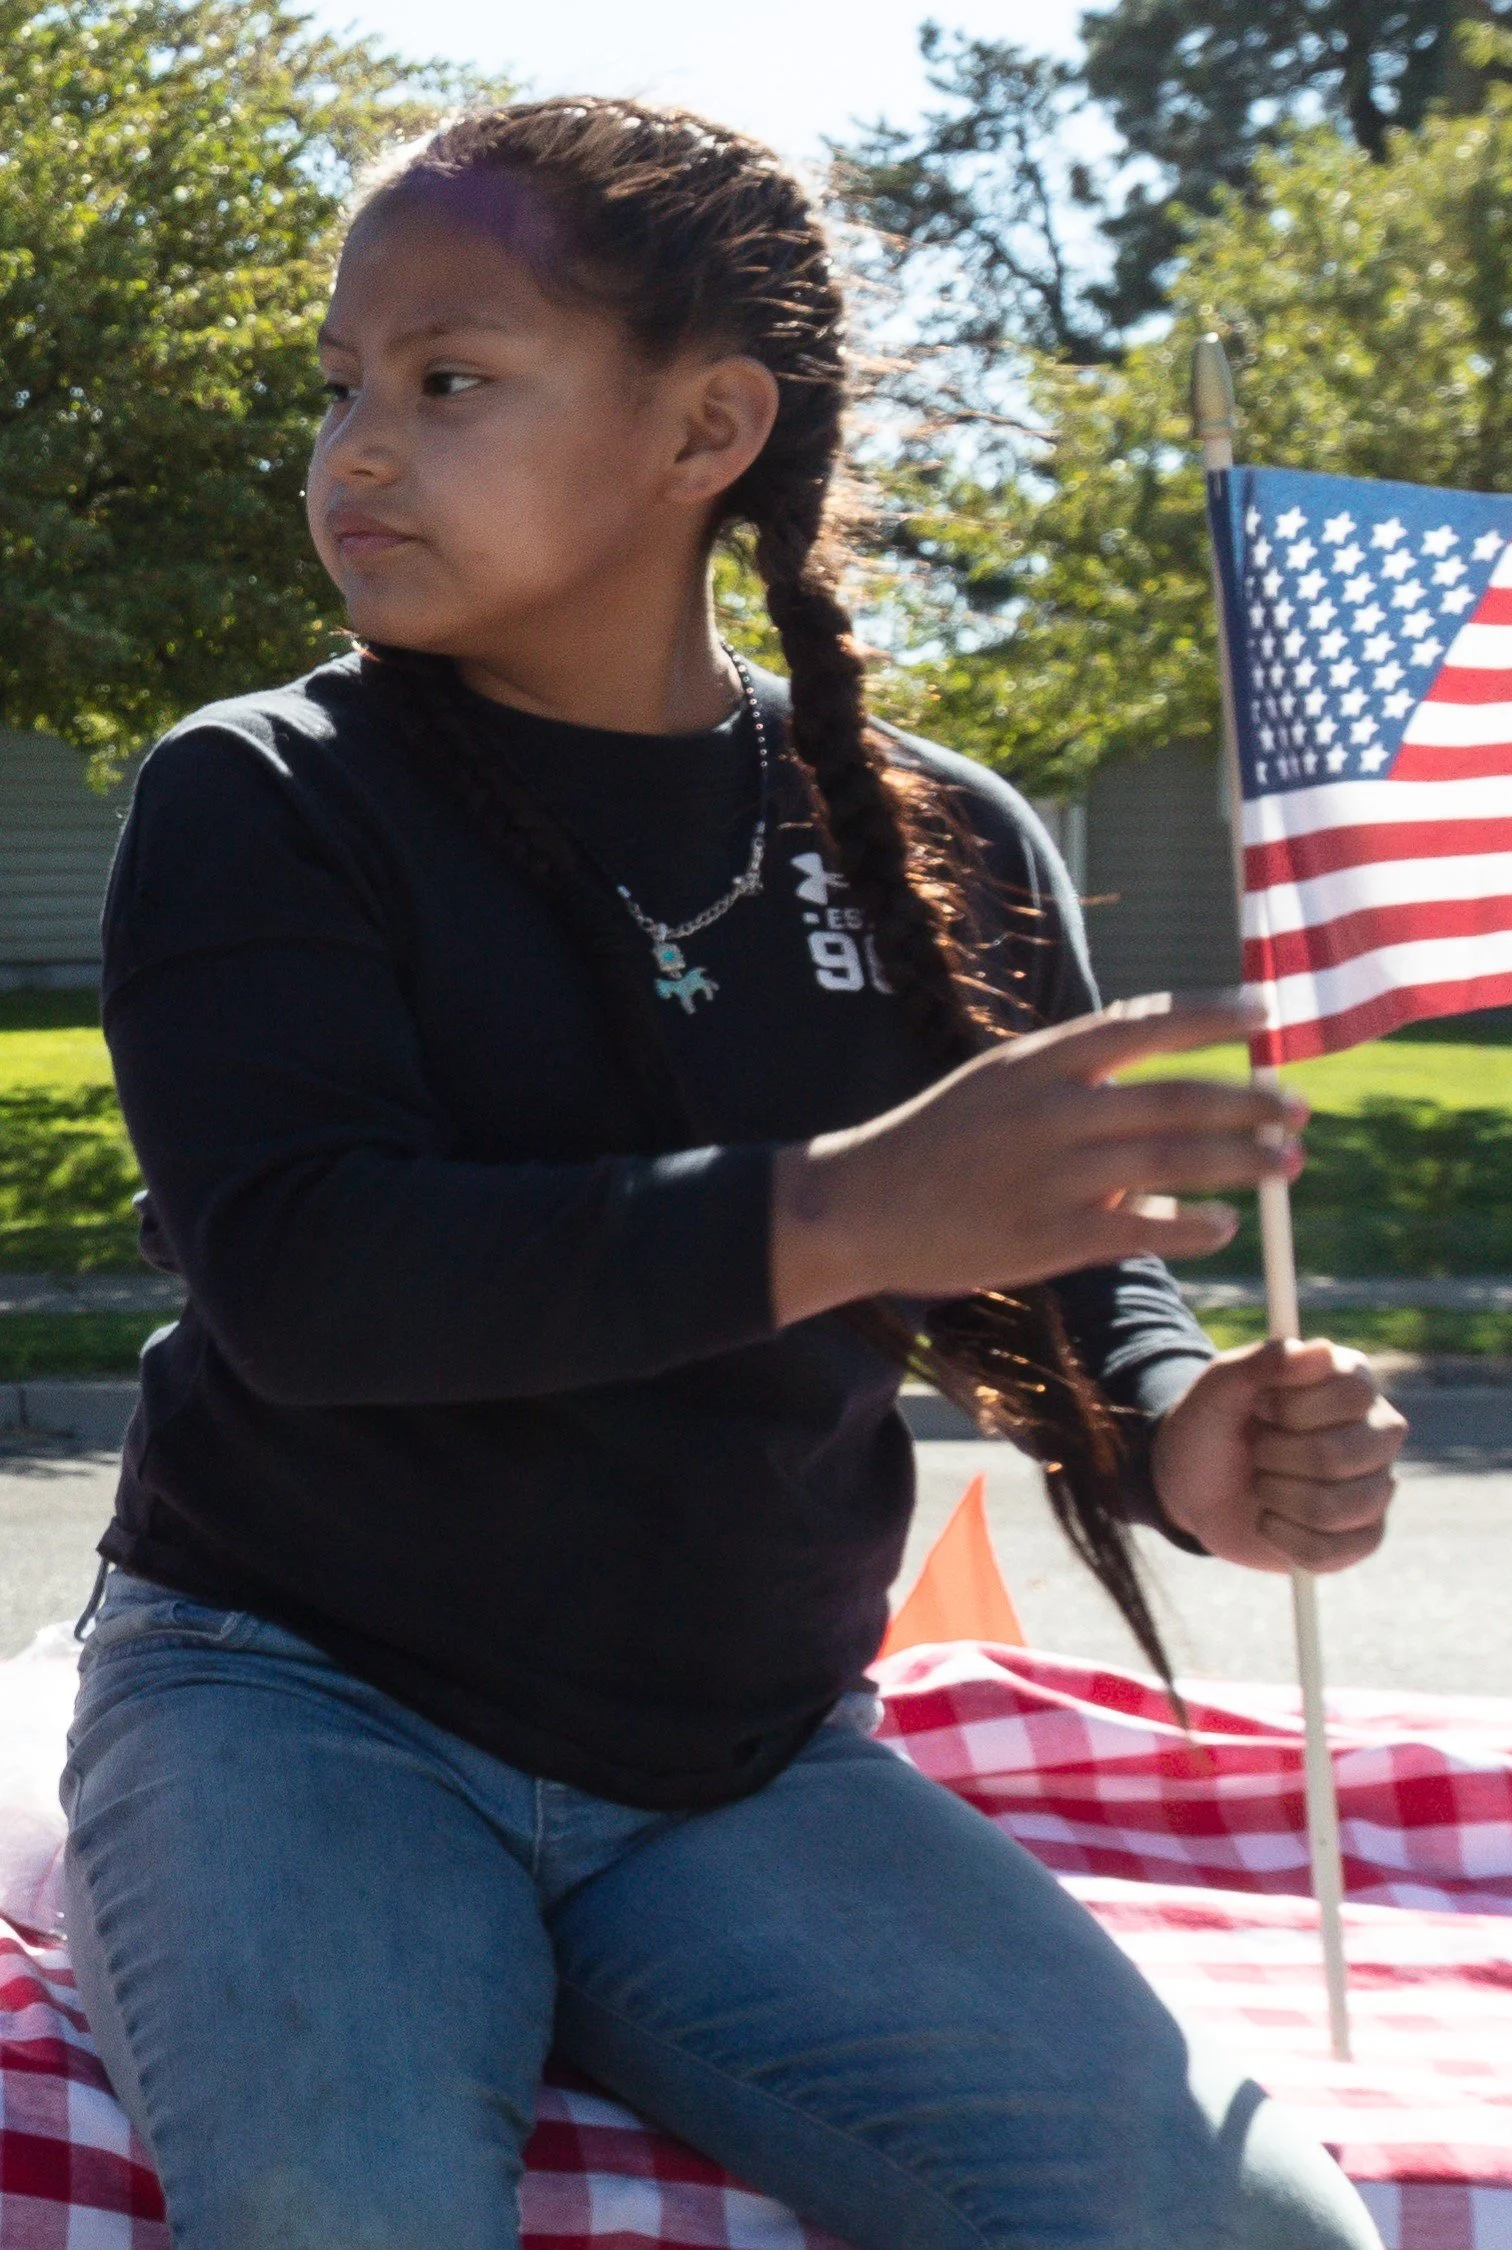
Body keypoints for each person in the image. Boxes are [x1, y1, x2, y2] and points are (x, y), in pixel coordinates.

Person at [60, 98, 1408, 2250]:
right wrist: (855, 1208)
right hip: (289, 1705)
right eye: (339, 387)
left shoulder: (929, 835)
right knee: (345, 2207)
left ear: (705, 427)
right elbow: (310, 1281)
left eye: (447, 380)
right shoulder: (262, 791)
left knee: (1255, 2230)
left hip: (740, 1765)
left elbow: (1078, 1284)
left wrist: (1181, 1439)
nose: (352, 452)